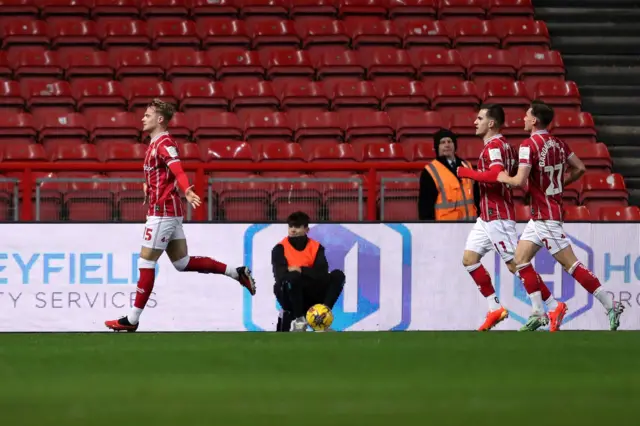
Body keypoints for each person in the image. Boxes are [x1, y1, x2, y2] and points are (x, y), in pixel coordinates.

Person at [105, 99, 257, 332]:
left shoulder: (164, 143)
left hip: (162, 212)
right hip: (169, 211)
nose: (142, 118)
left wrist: (186, 189)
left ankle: (132, 320)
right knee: (182, 262)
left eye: (147, 115)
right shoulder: (154, 143)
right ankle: (236, 272)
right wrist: (149, 186)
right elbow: (161, 175)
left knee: (146, 261)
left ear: (160, 120)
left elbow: (178, 170)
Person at [498, 100, 625, 331]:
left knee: (572, 266)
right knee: (520, 261)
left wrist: (500, 177)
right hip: (540, 216)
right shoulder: (558, 143)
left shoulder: (528, 145)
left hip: (546, 217)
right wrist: (557, 185)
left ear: (534, 120)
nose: (523, 119)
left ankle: (610, 304)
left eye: (526, 116)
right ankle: (538, 312)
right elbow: (580, 168)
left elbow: (520, 181)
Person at [272, 211, 345, 332]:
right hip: (290, 295)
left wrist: (301, 270)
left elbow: (322, 274)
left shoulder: (316, 247)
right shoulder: (280, 248)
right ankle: (299, 320)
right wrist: (299, 273)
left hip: (313, 292)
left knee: (338, 275)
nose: (293, 230)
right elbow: (280, 276)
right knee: (292, 278)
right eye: (290, 226)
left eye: (297, 227)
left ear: (307, 229)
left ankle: (322, 317)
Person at [418, 128, 480, 221]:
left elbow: (477, 197)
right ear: (437, 147)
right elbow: (425, 207)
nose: (447, 145)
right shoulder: (429, 171)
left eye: (449, 141)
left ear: (454, 145)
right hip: (445, 230)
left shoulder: (467, 166)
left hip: (471, 226)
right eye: (442, 142)